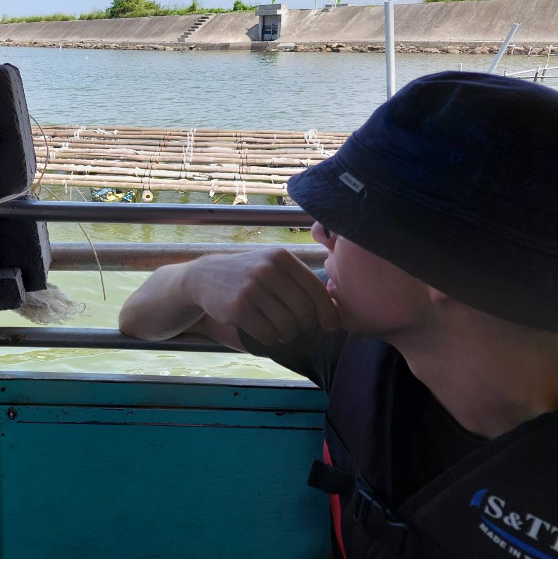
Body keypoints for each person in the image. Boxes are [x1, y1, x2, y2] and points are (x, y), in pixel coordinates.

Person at [119, 72, 558, 558]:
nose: (319, 231)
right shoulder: (350, 344)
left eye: (352, 216)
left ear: (445, 267)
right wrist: (194, 277)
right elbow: (140, 317)